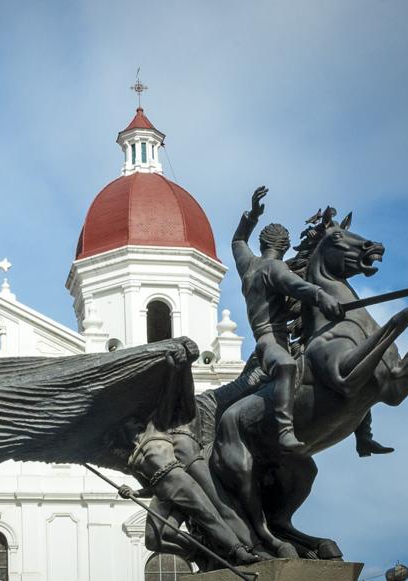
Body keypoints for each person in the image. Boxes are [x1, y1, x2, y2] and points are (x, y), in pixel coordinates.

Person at [232, 186, 343, 452]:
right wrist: (322, 296)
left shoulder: (247, 263)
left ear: (261, 244)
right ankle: (284, 430)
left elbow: (237, 241)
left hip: (267, 337)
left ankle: (363, 432)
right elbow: (296, 286)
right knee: (286, 366)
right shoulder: (275, 267)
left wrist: (252, 216)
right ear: (284, 246)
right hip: (272, 341)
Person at [116, 411, 260, 566]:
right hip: (161, 494)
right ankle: (200, 553)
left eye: (133, 419)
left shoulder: (154, 429)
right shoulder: (131, 460)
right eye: (128, 421)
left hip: (180, 481)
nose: (133, 421)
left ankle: (239, 551)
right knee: (153, 540)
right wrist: (133, 493)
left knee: (208, 516)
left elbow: (164, 405)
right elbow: (149, 487)